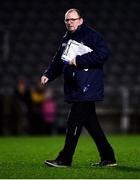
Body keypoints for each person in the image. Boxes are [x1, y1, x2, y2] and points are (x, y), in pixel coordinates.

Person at [41, 8, 117, 167]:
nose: (70, 22)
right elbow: (58, 60)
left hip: (87, 86)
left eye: (73, 19)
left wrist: (79, 60)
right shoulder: (67, 37)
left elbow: (103, 54)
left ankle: (65, 159)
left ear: (81, 20)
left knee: (73, 121)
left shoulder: (91, 35)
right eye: (67, 20)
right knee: (92, 125)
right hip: (77, 87)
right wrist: (48, 74)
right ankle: (108, 157)